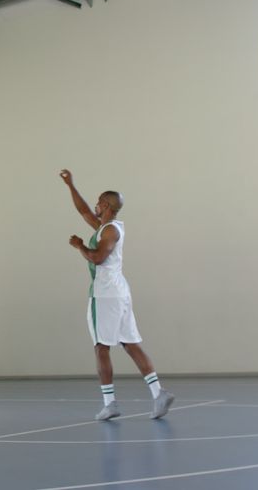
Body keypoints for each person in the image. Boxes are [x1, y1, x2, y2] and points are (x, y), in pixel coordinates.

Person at [59, 169, 174, 420]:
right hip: (119, 293)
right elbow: (83, 211)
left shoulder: (109, 231)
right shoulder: (106, 226)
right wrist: (70, 185)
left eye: (99, 201)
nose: (95, 204)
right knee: (131, 344)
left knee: (101, 347)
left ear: (107, 205)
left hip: (105, 295)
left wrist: (80, 246)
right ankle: (159, 394)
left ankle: (110, 403)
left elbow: (98, 258)